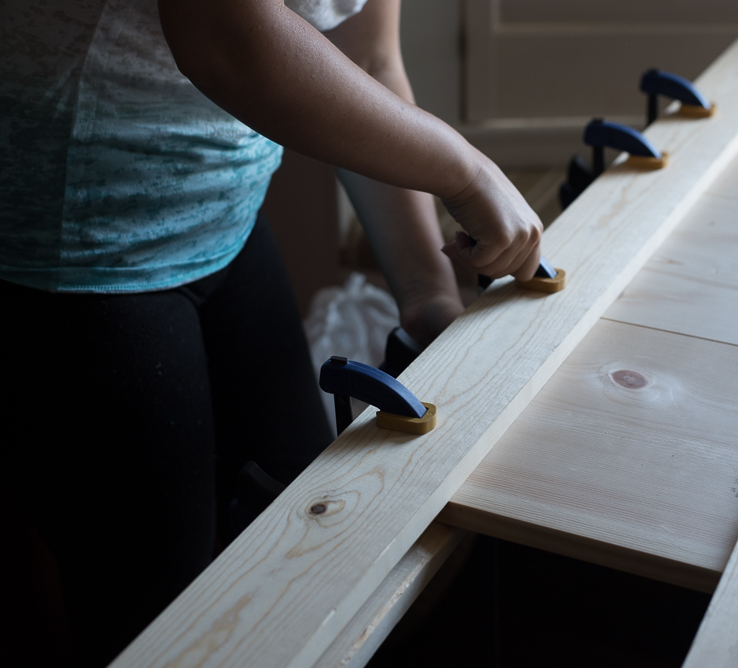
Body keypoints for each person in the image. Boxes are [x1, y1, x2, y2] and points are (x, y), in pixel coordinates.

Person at [0, 0, 543, 665]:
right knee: (161, 620)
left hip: (224, 224)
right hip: (67, 253)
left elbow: (365, 59)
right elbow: (224, 37)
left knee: (305, 544)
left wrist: (427, 292)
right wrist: (465, 169)